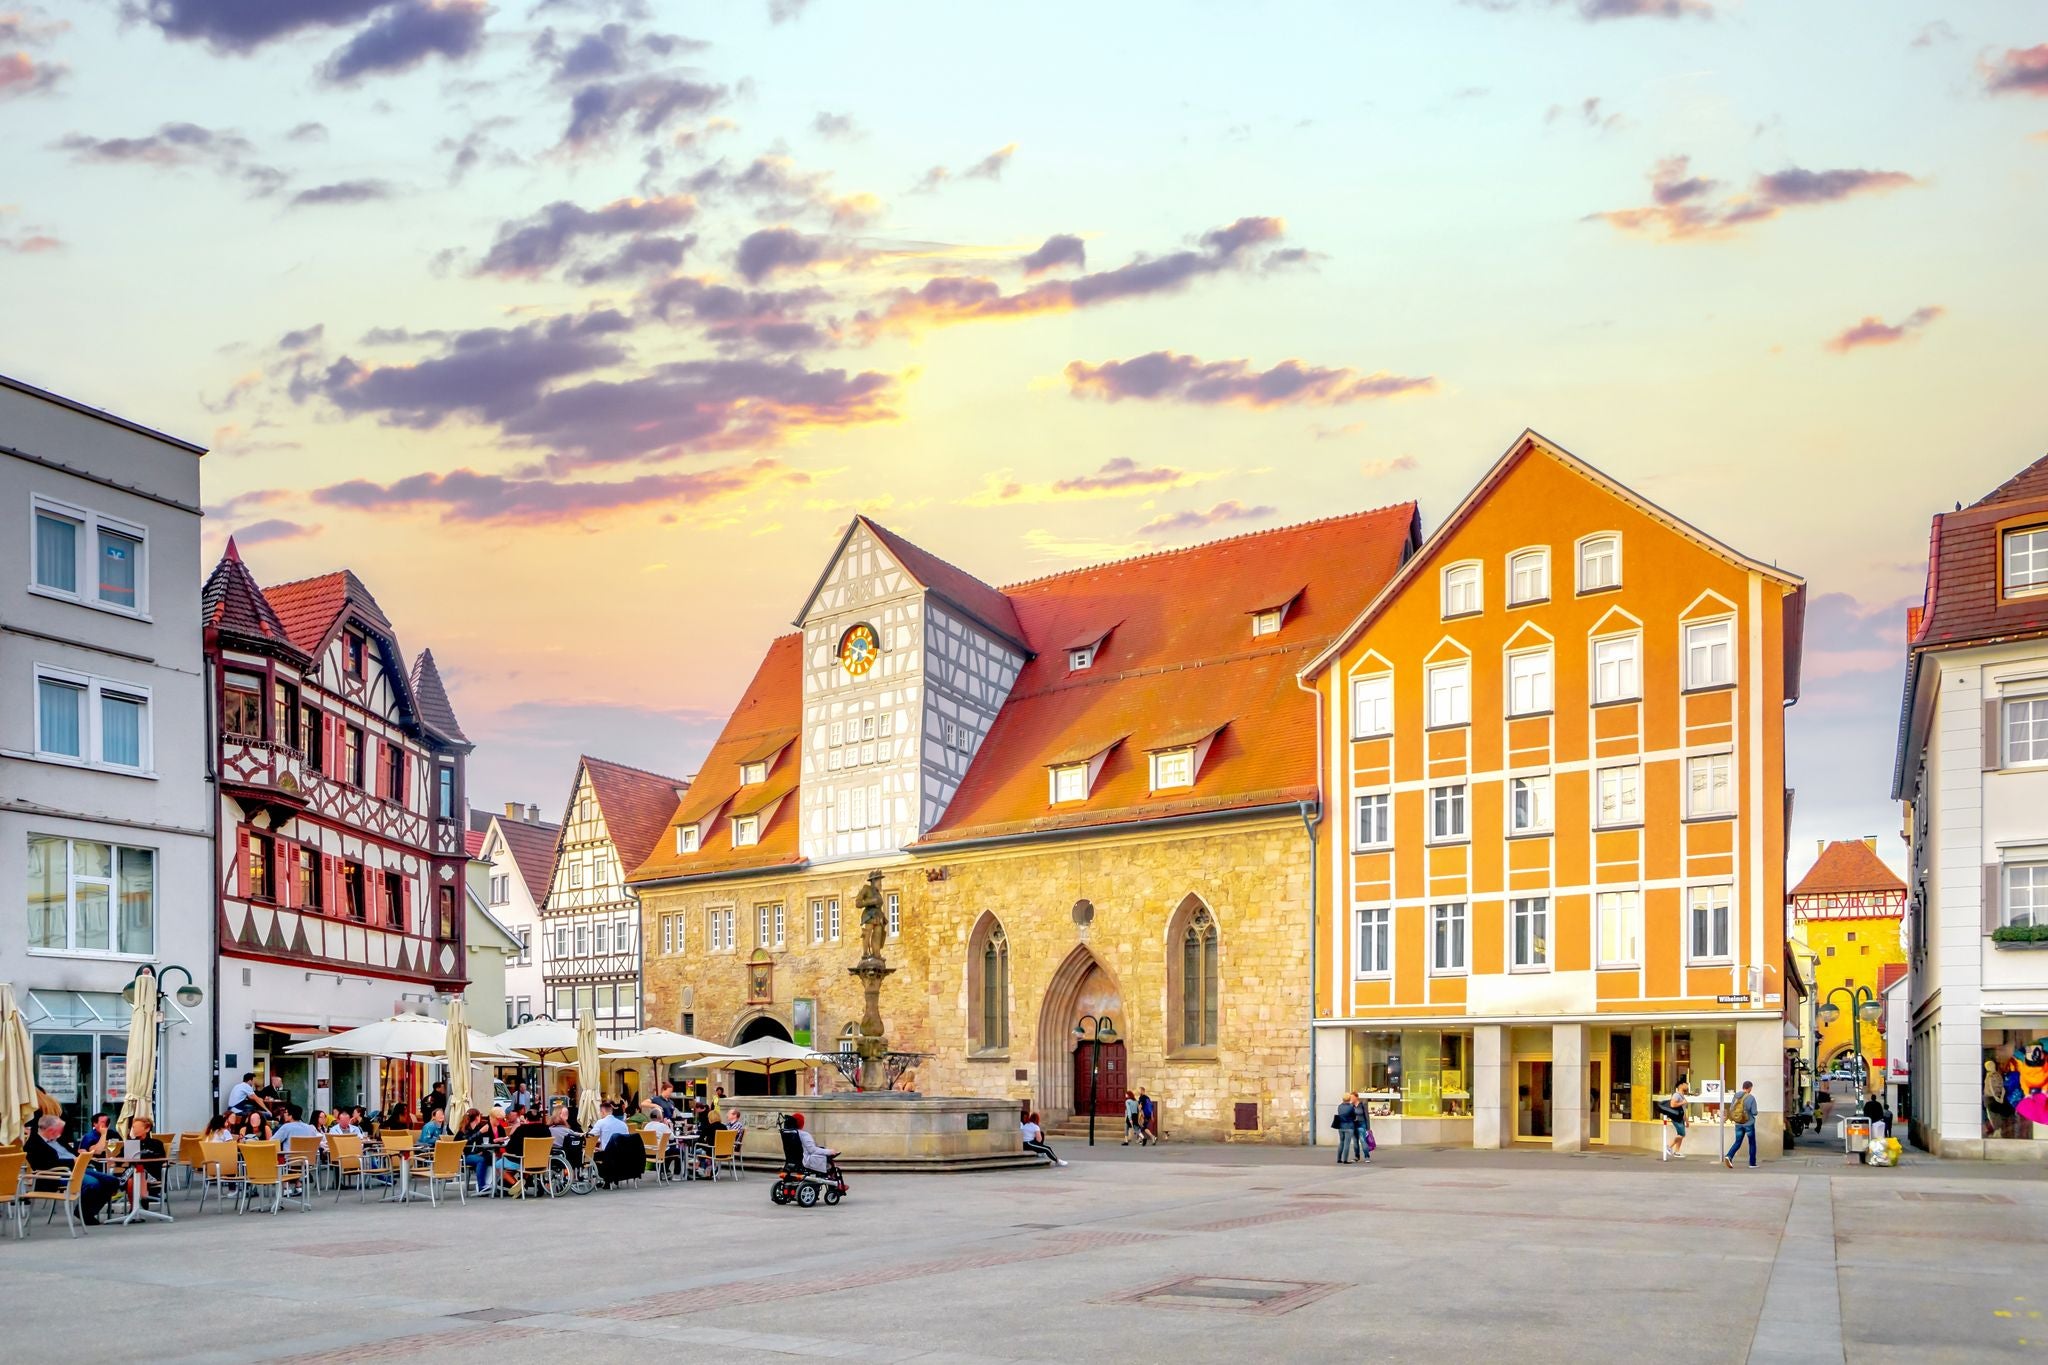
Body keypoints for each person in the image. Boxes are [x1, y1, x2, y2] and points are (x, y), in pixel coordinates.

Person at [25, 1115, 120, 1225]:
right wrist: (72, 1161)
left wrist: (80, 1154)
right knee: (93, 1184)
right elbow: (45, 1165)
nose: (60, 1133)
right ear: (50, 1130)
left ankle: (87, 1210)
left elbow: (71, 1152)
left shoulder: (58, 1139)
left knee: (112, 1181)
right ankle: (85, 1213)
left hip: (77, 1168)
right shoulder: (33, 1144)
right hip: (58, 1174)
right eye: (59, 1130)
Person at [496, 1109, 555, 1196]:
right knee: (518, 1165)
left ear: (526, 1119)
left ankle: (517, 1185)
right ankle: (521, 1183)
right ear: (539, 1119)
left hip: (524, 1162)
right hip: (542, 1163)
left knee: (498, 1165)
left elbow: (509, 1149)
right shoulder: (546, 1130)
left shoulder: (521, 1129)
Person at [1723, 1080, 1760, 1169]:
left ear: (1743, 1087)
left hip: (1738, 1123)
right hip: (1748, 1123)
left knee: (1738, 1141)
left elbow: (1731, 1108)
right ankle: (1752, 1163)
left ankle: (1729, 1156)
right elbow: (1754, 1112)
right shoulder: (1751, 1098)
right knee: (1752, 1143)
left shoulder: (1736, 1096)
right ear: (1750, 1088)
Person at [455, 1107, 491, 1192]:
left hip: (474, 1154)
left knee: (490, 1157)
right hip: (463, 1156)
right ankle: (481, 1186)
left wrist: (481, 1151)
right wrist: (480, 1132)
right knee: (480, 1160)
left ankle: (491, 1183)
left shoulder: (478, 1128)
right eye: (479, 1116)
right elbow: (466, 1142)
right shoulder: (464, 1130)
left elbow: (481, 1143)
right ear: (476, 1117)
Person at [1662, 1079, 1691, 1158]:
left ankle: (1677, 1151)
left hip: (1680, 1117)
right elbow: (1672, 1104)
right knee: (1682, 1134)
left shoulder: (1682, 1096)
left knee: (1680, 1134)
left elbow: (1683, 1110)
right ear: (1681, 1085)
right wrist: (1683, 1102)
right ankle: (1669, 1147)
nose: (1687, 1086)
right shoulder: (1676, 1095)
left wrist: (1686, 1120)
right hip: (1676, 1117)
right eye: (1686, 1084)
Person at [1333, 1093, 1358, 1164]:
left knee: (1341, 1142)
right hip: (1349, 1127)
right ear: (1349, 1099)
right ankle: (1345, 1160)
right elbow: (1354, 1116)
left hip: (1340, 1126)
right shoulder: (1351, 1107)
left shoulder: (1339, 1106)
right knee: (1347, 1144)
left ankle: (1339, 1159)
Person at [1350, 1093, 1373, 1166]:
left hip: (1361, 1124)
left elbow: (1367, 1116)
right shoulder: (1351, 1106)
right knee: (1355, 1142)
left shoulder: (1362, 1105)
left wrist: (1368, 1128)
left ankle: (1367, 1156)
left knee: (1363, 1140)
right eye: (1350, 1097)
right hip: (1354, 1125)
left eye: (1352, 1097)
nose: (1351, 1099)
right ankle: (1357, 1157)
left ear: (1356, 1097)